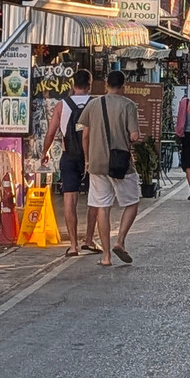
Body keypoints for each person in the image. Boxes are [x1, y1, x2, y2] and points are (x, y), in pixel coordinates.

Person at [78, 70, 141, 266]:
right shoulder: (129, 105)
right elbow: (134, 136)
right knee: (132, 203)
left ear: (106, 84)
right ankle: (120, 240)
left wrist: (88, 160)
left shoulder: (93, 104)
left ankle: (106, 257)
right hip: (120, 165)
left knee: (102, 208)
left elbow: (85, 134)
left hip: (97, 164)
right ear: (124, 85)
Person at [40, 69, 99, 257]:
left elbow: (51, 133)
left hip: (69, 156)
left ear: (73, 85)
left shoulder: (61, 105)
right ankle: (89, 240)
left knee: (69, 200)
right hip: (92, 156)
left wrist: (44, 152)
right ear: (89, 85)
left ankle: (73, 246)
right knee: (95, 199)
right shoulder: (96, 103)